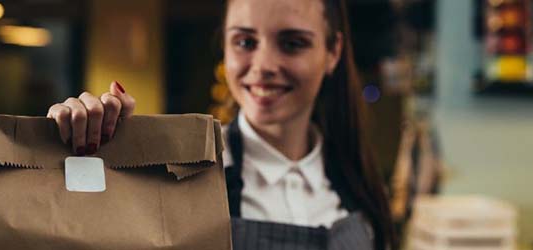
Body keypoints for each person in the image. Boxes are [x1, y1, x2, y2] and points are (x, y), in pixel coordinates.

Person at [46, 0, 395, 249]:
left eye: (292, 43)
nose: (263, 65)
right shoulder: (181, 173)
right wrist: (78, 157)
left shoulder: (358, 179)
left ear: (333, 52)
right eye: (245, 42)